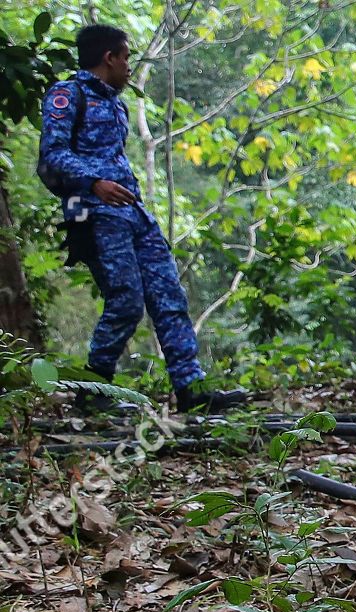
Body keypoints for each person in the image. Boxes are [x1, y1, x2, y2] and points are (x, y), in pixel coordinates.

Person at [39, 25, 246, 415]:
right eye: (127, 57)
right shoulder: (68, 95)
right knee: (126, 302)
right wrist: (94, 182)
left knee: (169, 295)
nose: (130, 67)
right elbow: (52, 152)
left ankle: (191, 391)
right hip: (97, 214)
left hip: (133, 212)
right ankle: (94, 393)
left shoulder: (115, 103)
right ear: (109, 58)